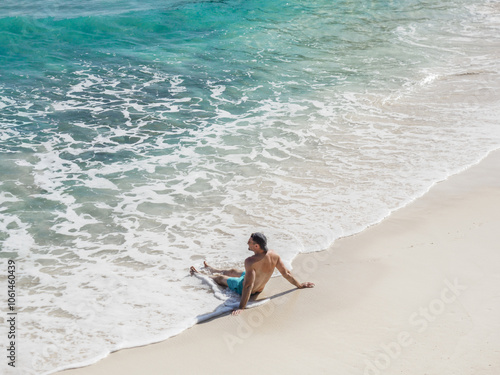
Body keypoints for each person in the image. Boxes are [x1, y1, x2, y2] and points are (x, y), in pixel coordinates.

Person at [190, 232, 314, 315]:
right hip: (258, 286)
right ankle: (212, 268)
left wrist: (241, 307)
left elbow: (248, 286)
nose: (247, 243)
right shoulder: (274, 255)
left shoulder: (250, 262)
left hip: (245, 288)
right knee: (233, 271)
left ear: (256, 246)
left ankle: (201, 274)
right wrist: (299, 285)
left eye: (249, 242)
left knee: (221, 278)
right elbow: (286, 273)